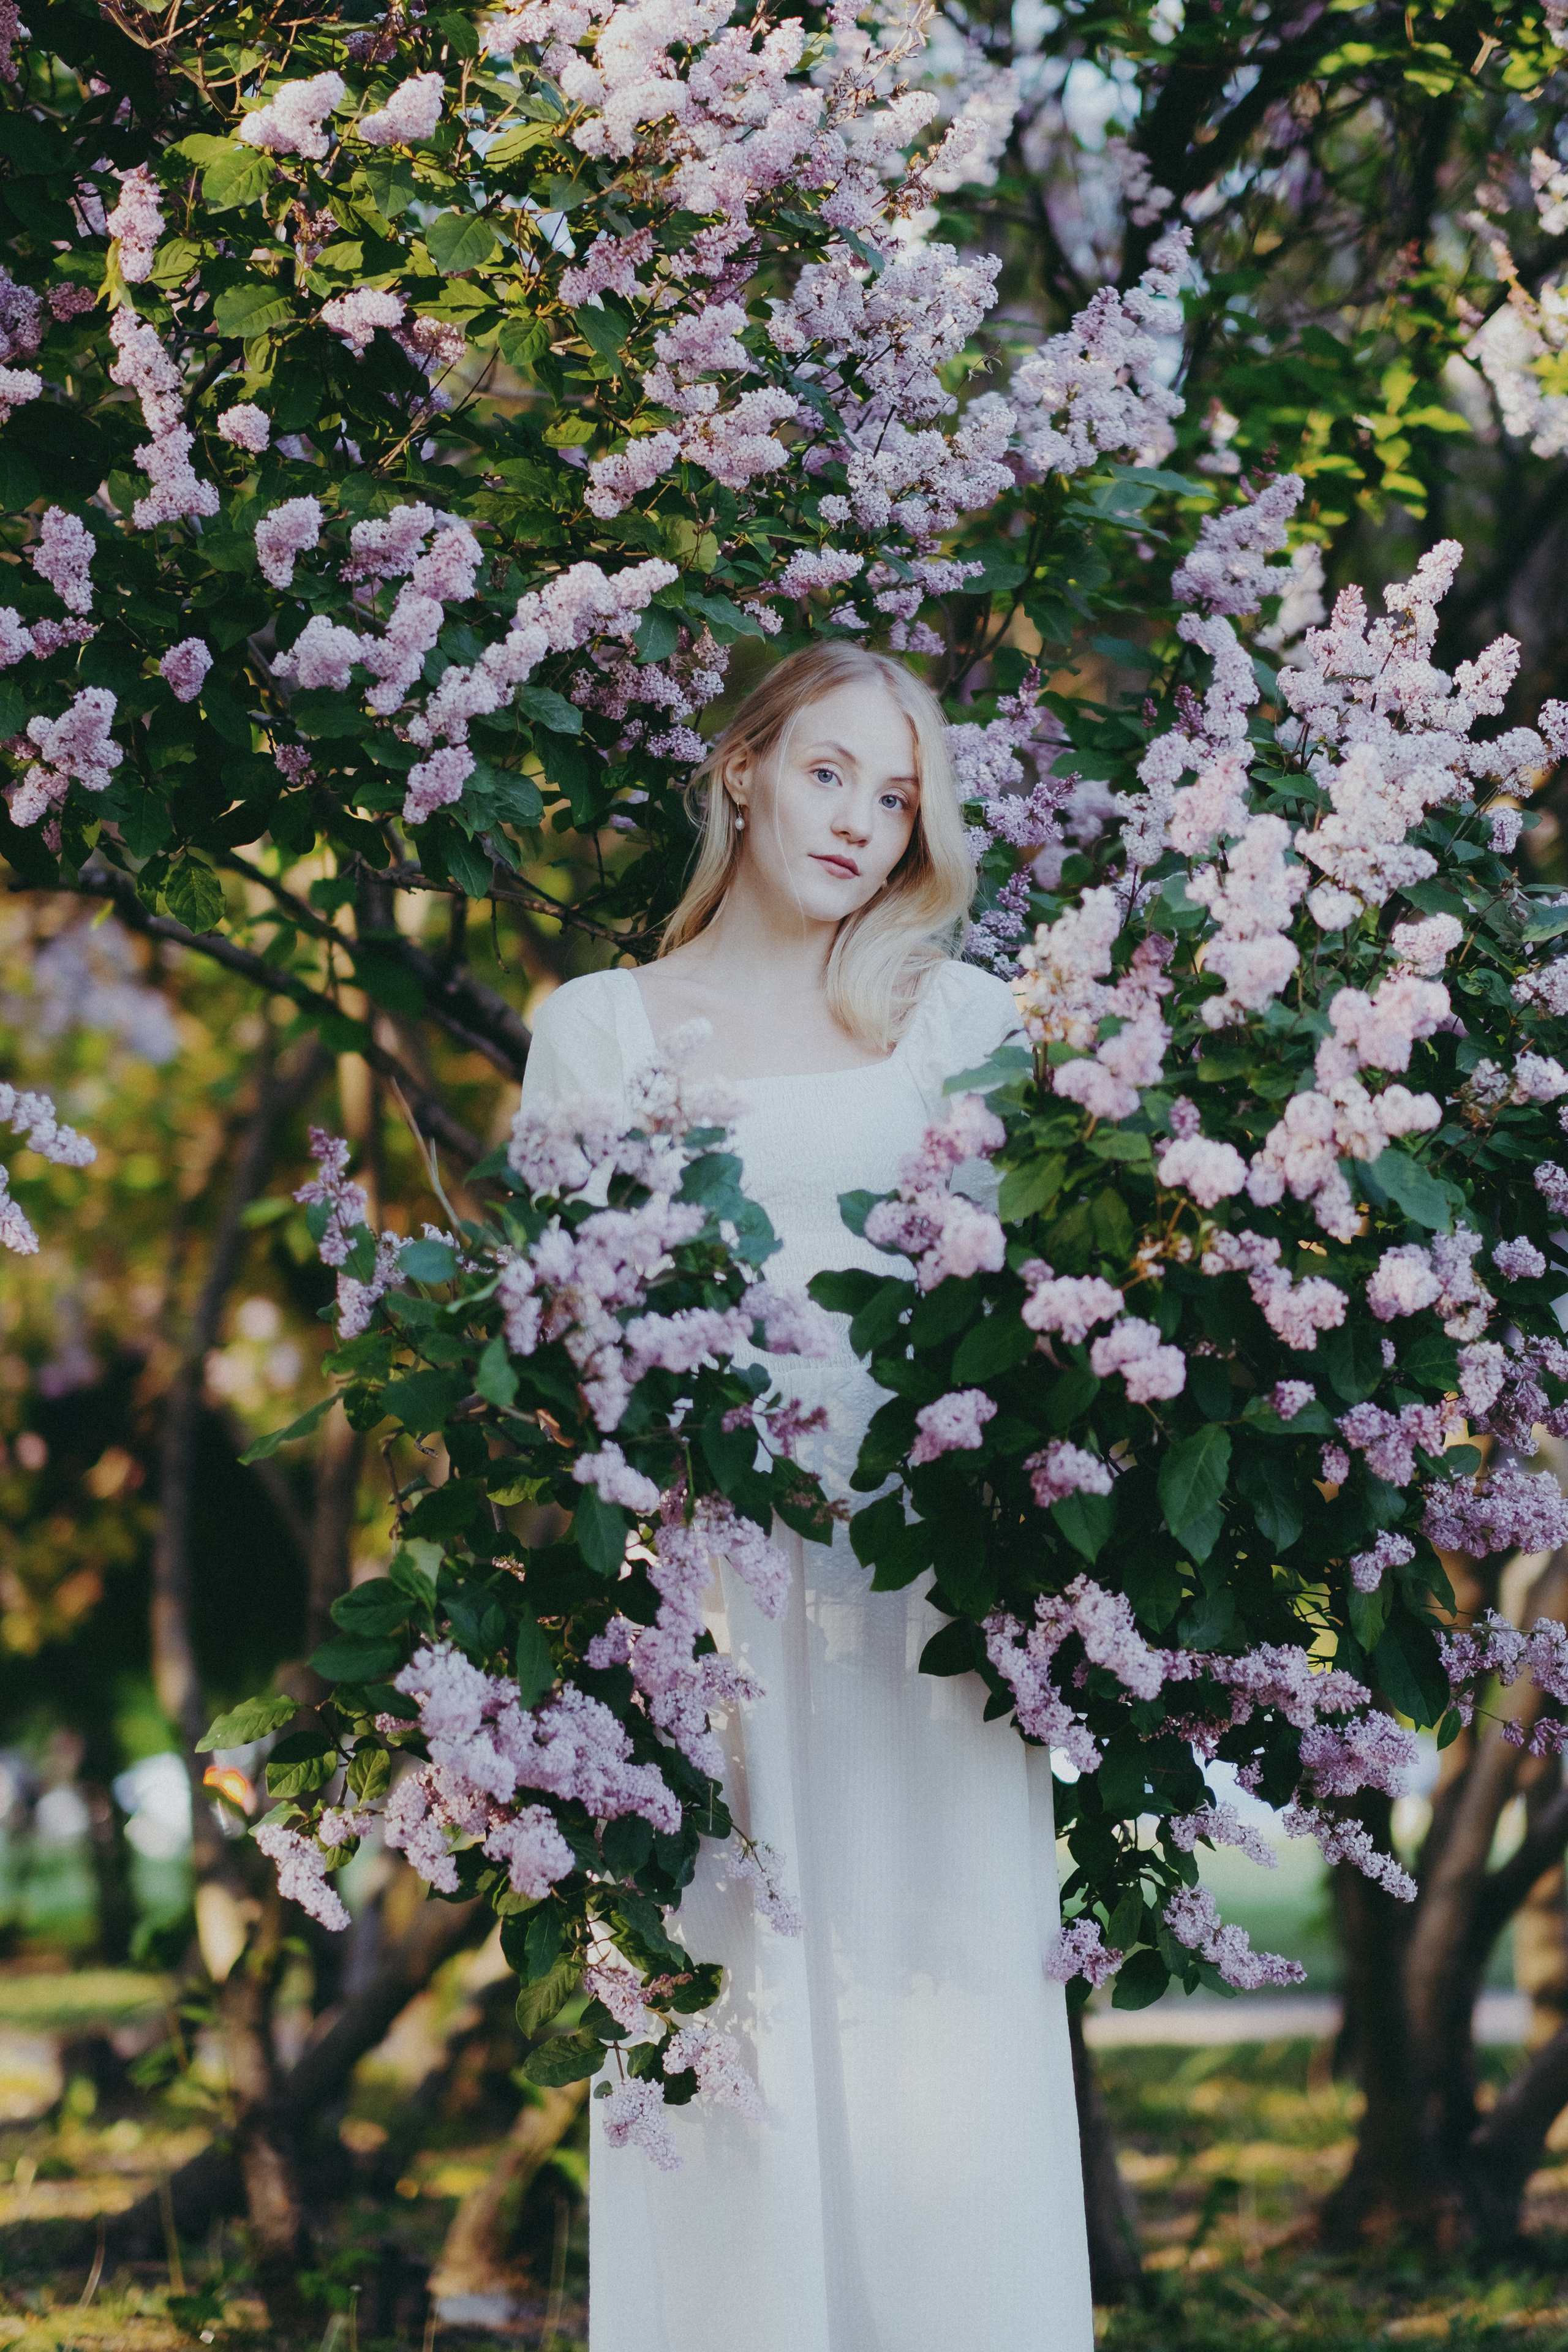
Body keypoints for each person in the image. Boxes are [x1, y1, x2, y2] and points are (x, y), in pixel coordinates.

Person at [519, 643, 1093, 2352]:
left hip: (928, 1596)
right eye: (830, 771)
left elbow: (1034, 1305)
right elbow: (560, 1346)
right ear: (745, 768)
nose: (859, 820)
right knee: (729, 2020)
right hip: (705, 1600)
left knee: (949, 2021)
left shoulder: (957, 1020)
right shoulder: (599, 1027)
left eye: (897, 797)